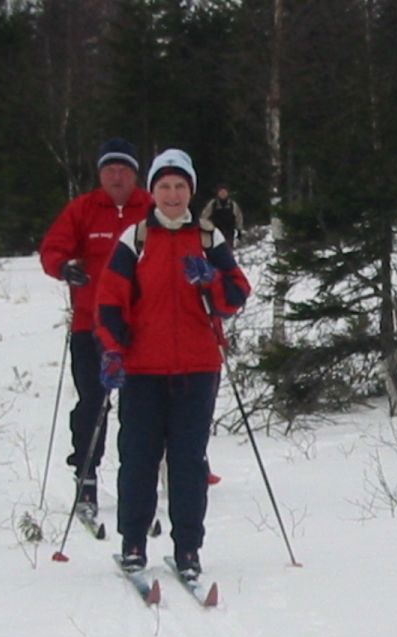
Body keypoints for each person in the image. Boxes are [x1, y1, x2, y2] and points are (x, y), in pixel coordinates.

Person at [94, 149, 251, 578]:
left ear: (191, 190)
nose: (172, 194)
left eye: (180, 186)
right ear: (153, 191)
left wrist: (212, 280)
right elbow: (109, 301)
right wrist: (111, 349)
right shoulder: (135, 239)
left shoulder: (207, 238)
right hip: (142, 370)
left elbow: (237, 294)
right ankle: (133, 542)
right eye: (164, 186)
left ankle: (188, 549)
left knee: (188, 460)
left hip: (197, 368)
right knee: (139, 457)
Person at [39, 138, 153, 517]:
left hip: (140, 328)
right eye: (109, 169)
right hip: (90, 326)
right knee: (93, 402)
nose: (116, 176)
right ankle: (86, 477)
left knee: (138, 407)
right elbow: (52, 248)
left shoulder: (150, 207)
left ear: (135, 175)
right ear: (100, 174)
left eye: (123, 169)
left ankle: (137, 480)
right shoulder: (83, 209)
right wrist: (63, 267)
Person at [201, 184, 244, 248]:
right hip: (216, 233)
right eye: (221, 192)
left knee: (228, 251)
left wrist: (239, 230)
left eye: (224, 192)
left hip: (229, 232)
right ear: (218, 193)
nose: (223, 194)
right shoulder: (213, 204)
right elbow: (204, 217)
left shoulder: (232, 205)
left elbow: (239, 218)